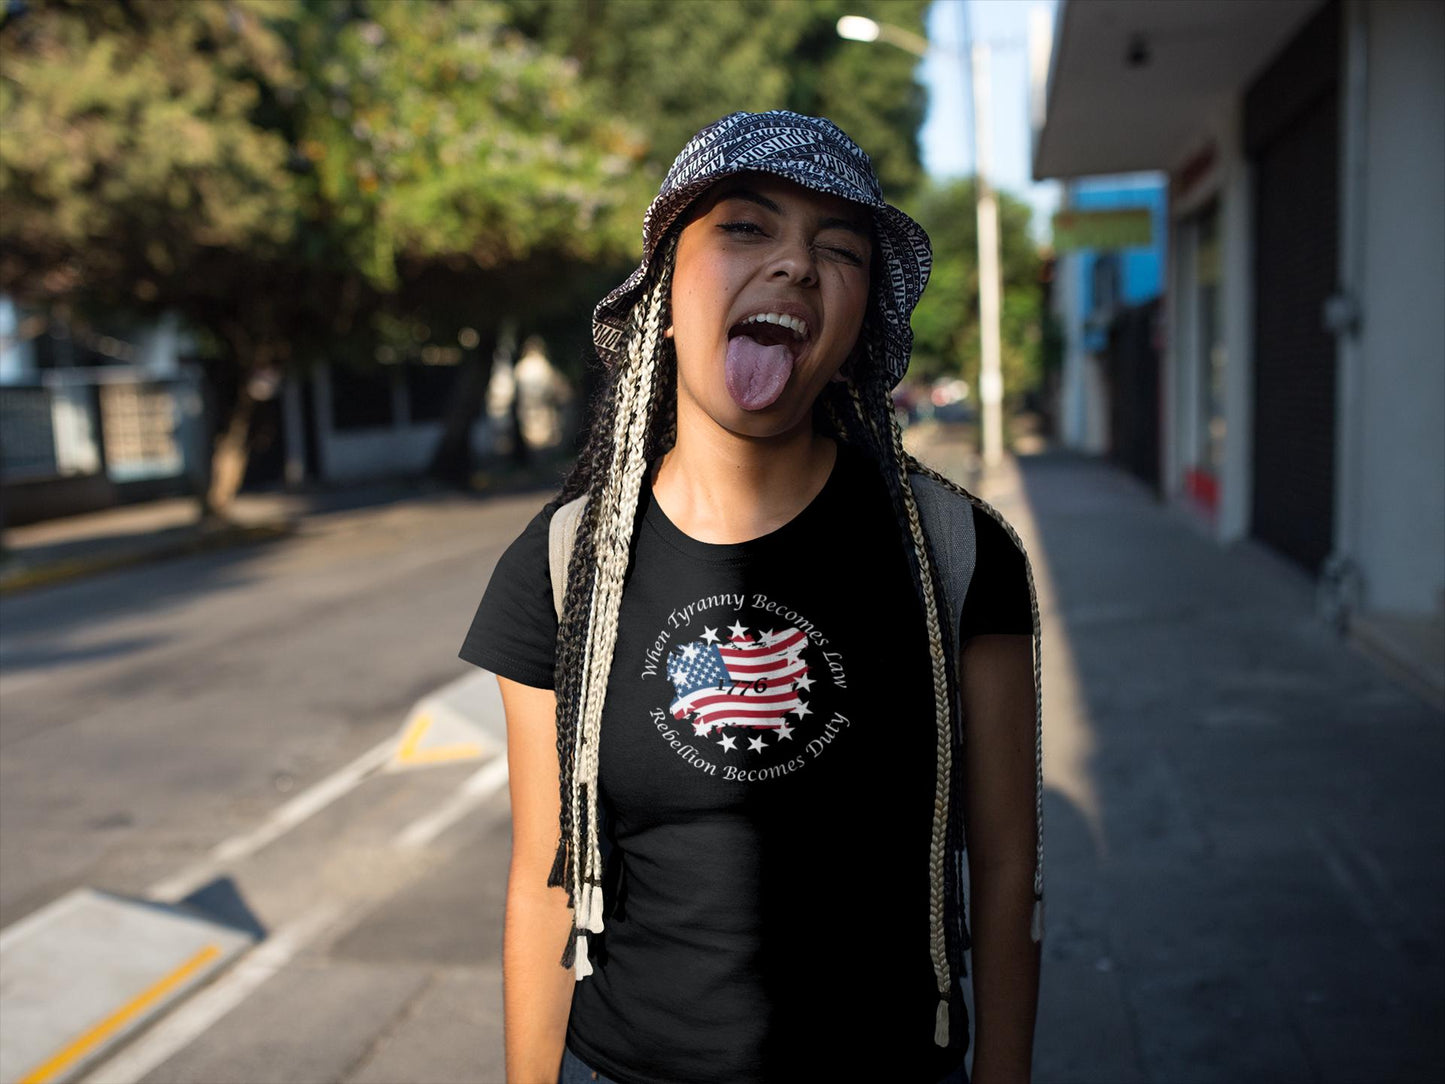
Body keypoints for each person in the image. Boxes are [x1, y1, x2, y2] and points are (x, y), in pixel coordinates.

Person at [459, 110, 1043, 1084]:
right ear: (665, 289)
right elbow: (541, 879)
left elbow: (1006, 865)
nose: (795, 265)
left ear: (860, 317)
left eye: (838, 250)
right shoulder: (564, 563)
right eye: (743, 227)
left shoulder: (956, 550)